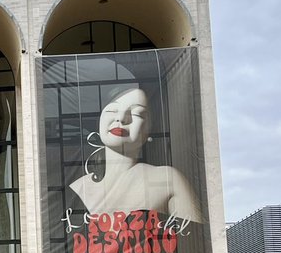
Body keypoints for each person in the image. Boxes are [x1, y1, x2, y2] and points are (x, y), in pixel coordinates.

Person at [69, 84, 204, 224]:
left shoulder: (167, 181)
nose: (121, 118)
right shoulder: (78, 188)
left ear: (150, 130)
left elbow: (196, 241)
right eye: (112, 110)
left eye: (137, 113)